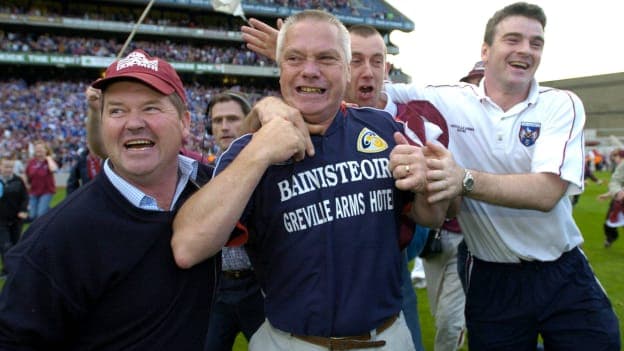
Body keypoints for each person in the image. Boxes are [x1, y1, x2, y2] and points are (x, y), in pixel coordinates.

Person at [172, 10, 450, 351]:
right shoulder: (247, 150)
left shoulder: (384, 129)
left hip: (387, 337)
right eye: (294, 58)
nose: (309, 70)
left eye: (326, 58)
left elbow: (431, 217)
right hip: (292, 342)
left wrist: (427, 187)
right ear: (281, 70)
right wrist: (260, 151)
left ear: (347, 70)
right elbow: (188, 246)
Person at [385, 2, 621, 350]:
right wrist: (302, 54)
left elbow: (545, 193)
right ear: (486, 49)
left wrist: (463, 178)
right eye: (513, 39)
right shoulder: (449, 99)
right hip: (491, 275)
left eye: (535, 42)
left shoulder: (560, 104)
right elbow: (374, 92)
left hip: (561, 269)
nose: (525, 49)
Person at [0, 49, 219, 350]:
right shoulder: (56, 239)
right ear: (102, 126)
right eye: (117, 110)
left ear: (185, 123)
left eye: (151, 108)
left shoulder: (218, 189)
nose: (133, 123)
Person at [203, 91, 265, 351]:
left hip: (258, 286)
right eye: (217, 121)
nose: (224, 127)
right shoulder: (200, 171)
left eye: (232, 119)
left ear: (248, 121)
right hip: (216, 288)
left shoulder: (268, 166)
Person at [0, 155, 28, 278]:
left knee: (16, 244)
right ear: (0, 167)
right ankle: (8, 270)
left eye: (11, 167)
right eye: (6, 166)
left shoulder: (18, 181)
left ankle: (15, 268)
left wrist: (23, 210)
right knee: (6, 245)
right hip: (1, 220)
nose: (8, 169)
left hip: (16, 219)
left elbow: (24, 197)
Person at [25, 140, 58, 220]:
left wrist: (48, 158)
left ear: (46, 150)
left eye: (41, 148)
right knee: (32, 215)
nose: (39, 150)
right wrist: (26, 186)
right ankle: (52, 211)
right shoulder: (31, 162)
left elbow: (54, 169)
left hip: (46, 191)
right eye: (37, 149)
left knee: (40, 215)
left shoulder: (49, 161)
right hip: (33, 191)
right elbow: (27, 175)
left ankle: (40, 228)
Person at [598, 149, 624, 247]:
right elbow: (617, 184)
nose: (613, 159)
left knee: (610, 221)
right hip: (620, 200)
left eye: (615, 156)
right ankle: (610, 238)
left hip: (620, 200)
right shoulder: (621, 166)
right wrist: (612, 193)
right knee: (609, 221)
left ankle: (610, 238)